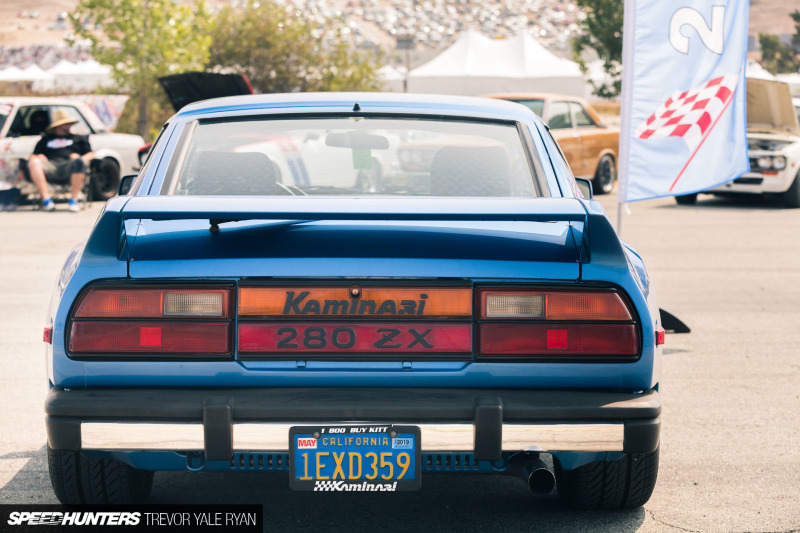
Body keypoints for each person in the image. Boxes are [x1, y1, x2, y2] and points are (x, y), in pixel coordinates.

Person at [28, 109, 93, 212]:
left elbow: (90, 155)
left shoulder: (79, 138)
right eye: (65, 124)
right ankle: (46, 201)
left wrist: (80, 158)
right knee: (34, 162)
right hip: (51, 167)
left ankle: (73, 200)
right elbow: (32, 156)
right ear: (57, 126)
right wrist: (39, 156)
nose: (68, 126)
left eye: (69, 124)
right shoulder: (46, 139)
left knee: (79, 162)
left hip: (70, 166)